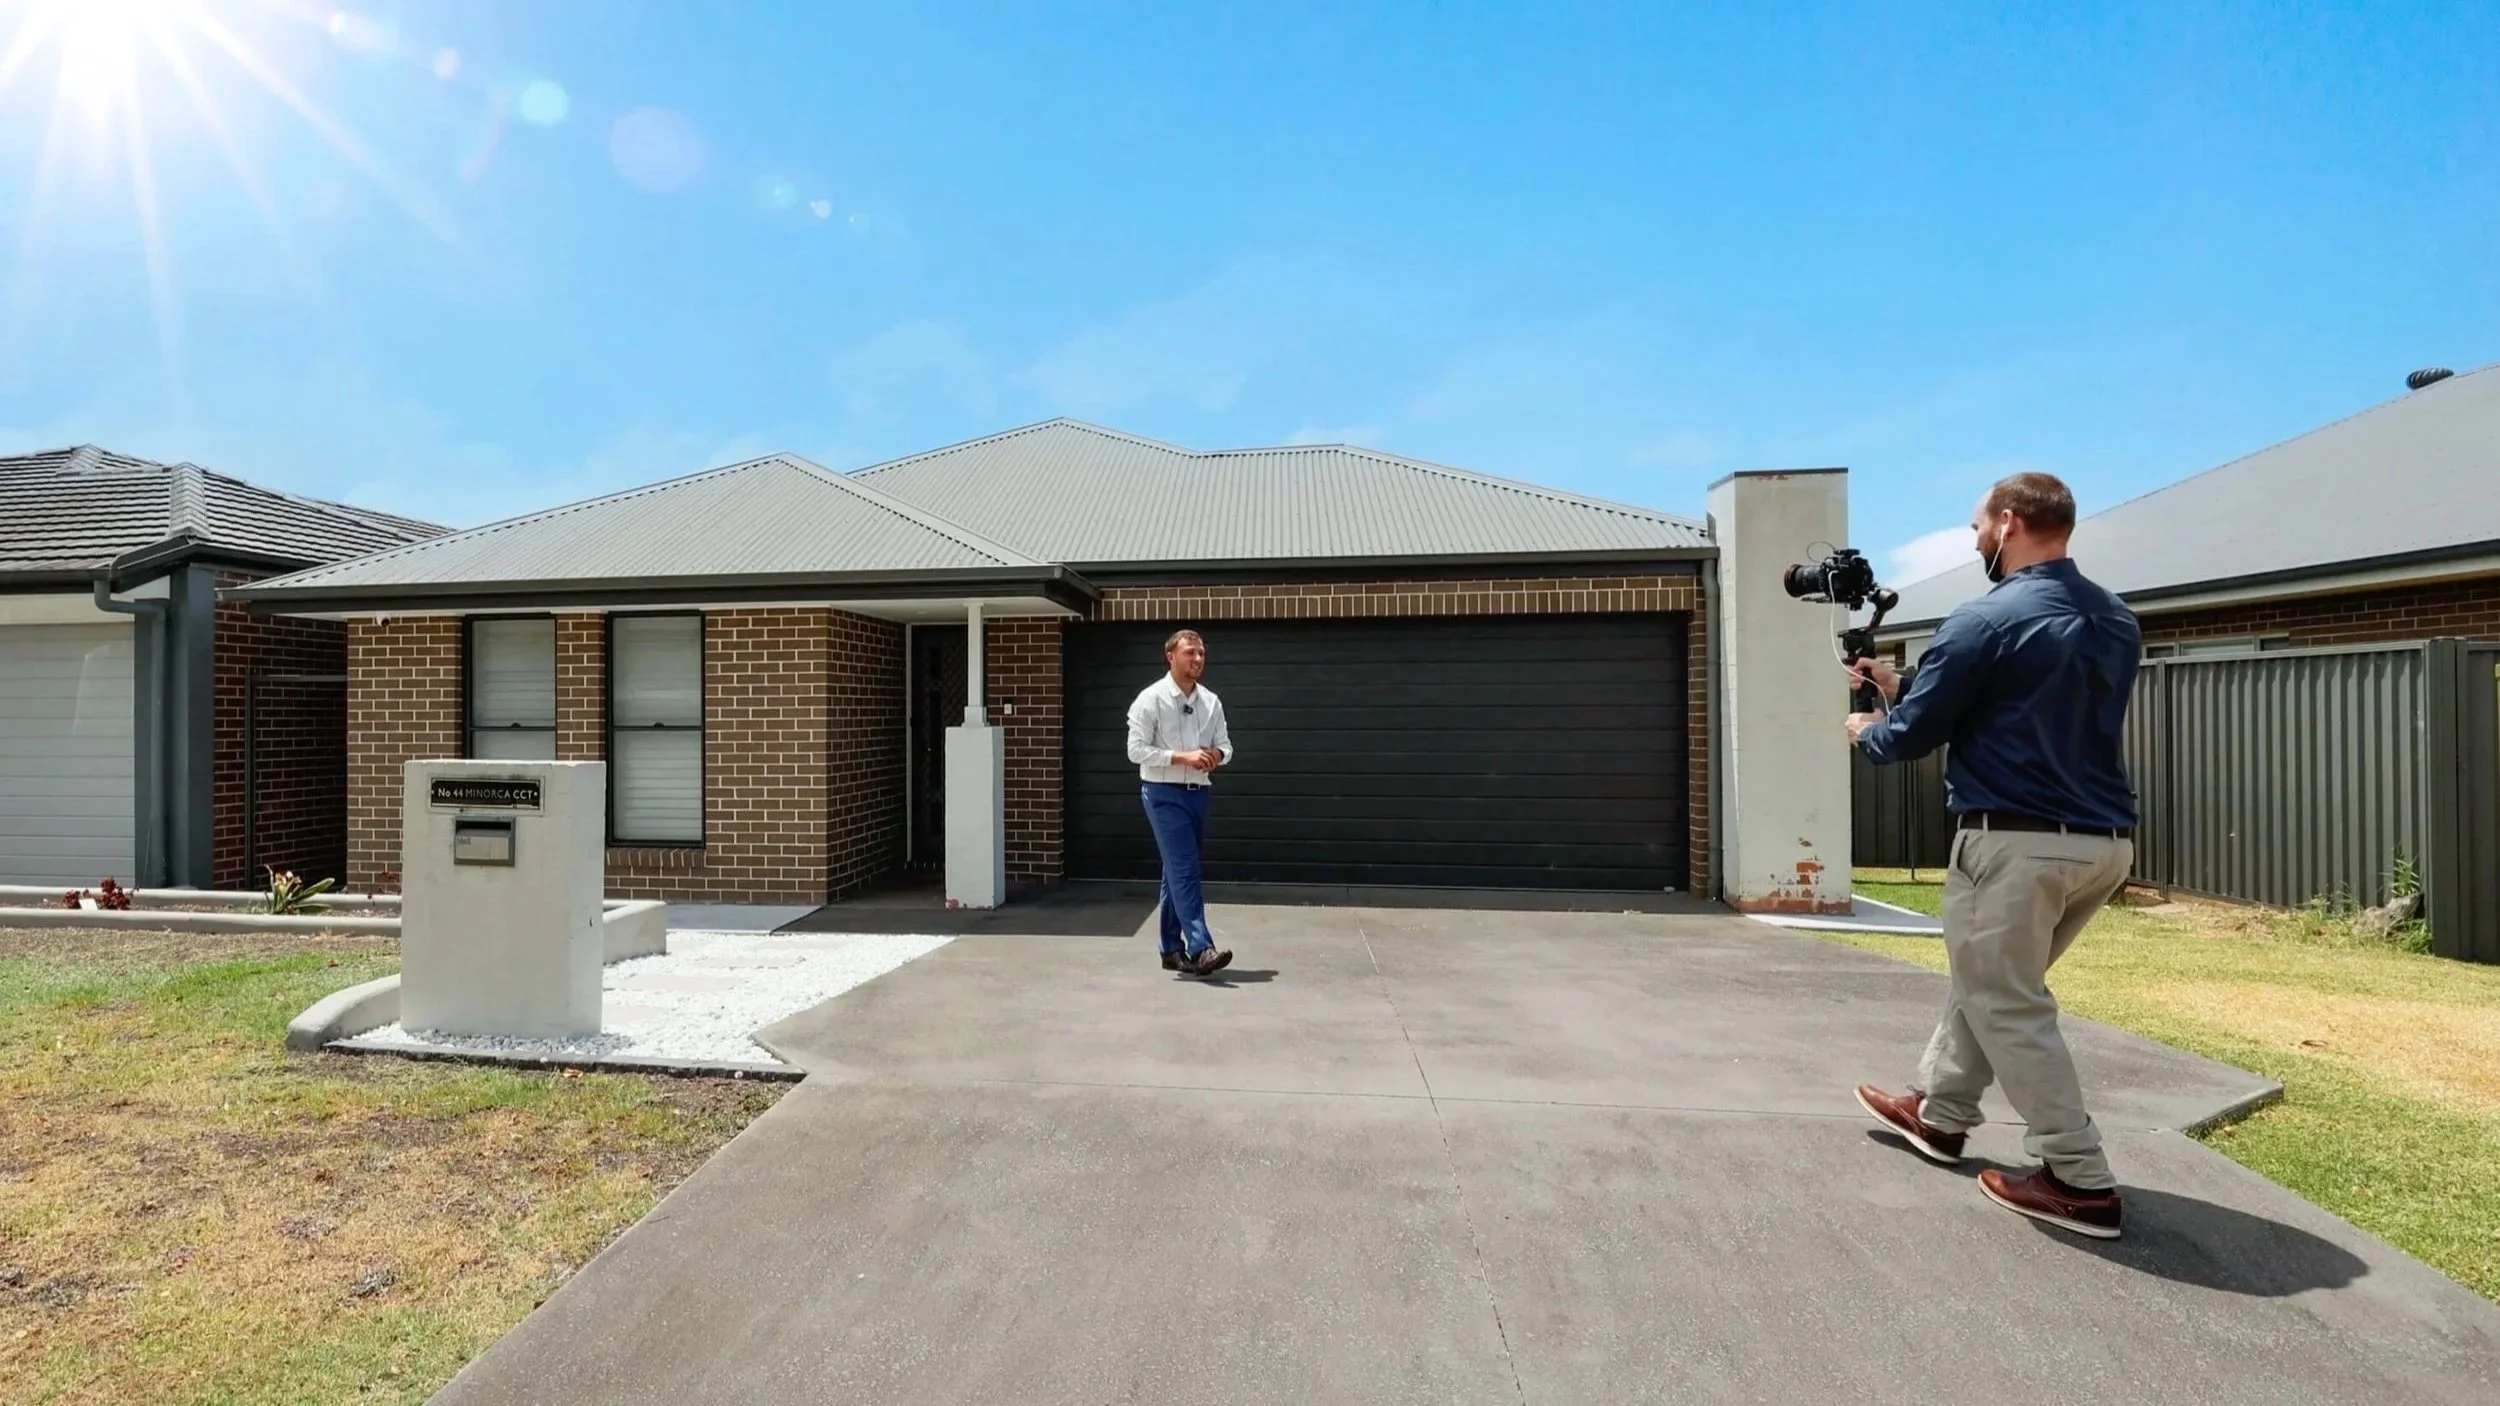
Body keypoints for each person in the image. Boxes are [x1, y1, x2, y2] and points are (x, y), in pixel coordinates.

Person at [1845, 471, 2141, 1240]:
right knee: (1992, 981)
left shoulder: (1985, 619)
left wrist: (1863, 727)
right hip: (2102, 845)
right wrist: (1896, 680)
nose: (1976, 538)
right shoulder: (2115, 619)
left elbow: (1910, 736)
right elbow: (2019, 704)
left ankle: (2079, 1179)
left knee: (2006, 1000)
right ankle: (1940, 1115)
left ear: (2008, 523)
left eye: (1978, 526)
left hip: (2013, 842)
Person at [1127, 628, 1235, 977]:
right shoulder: (1150, 699)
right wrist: (1182, 758)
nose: (1198, 659)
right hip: (1162, 794)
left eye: (1201, 653)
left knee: (1174, 869)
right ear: (1170, 656)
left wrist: (1216, 754)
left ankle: (1170, 949)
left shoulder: (1211, 702)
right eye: (1190, 653)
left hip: (1198, 794)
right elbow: (1136, 750)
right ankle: (1201, 948)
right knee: (1185, 868)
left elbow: (1227, 745)